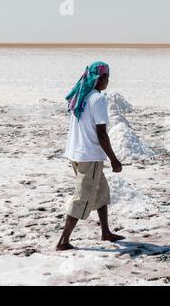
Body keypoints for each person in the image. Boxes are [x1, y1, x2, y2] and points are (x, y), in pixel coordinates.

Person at [56, 61, 125, 251]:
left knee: (101, 191)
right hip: (89, 156)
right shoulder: (98, 99)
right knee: (83, 197)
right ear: (100, 78)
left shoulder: (81, 96)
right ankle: (63, 241)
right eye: (106, 77)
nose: (107, 81)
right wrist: (114, 159)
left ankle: (105, 232)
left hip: (76, 153)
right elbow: (101, 133)